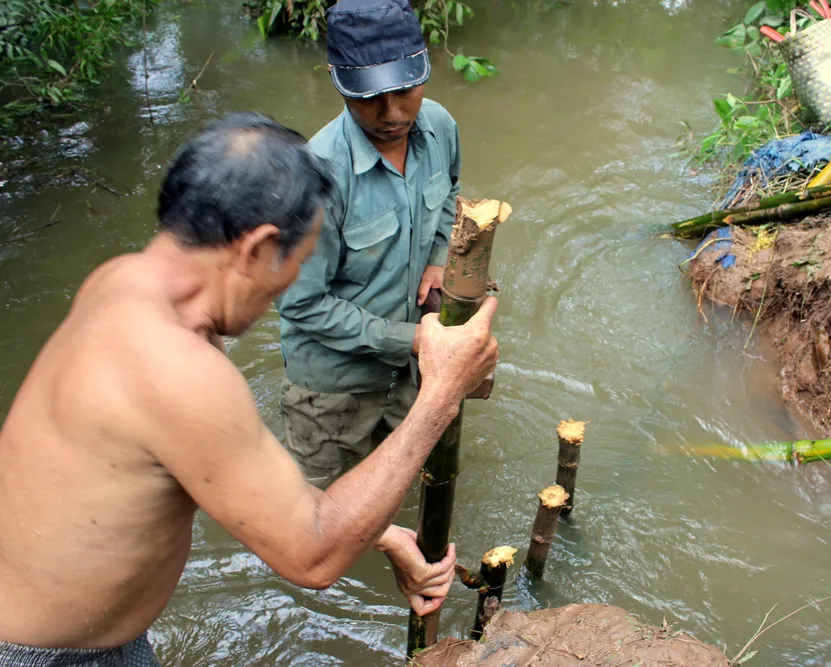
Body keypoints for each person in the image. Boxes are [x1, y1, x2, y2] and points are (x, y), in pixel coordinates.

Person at [0, 113, 498, 666]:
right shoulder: (176, 370)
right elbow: (312, 560)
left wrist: (380, 534)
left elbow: (229, 475)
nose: (292, 283)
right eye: (301, 260)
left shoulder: (124, 283)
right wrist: (442, 391)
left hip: (82, 631)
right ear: (258, 248)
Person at [276, 0, 463, 485]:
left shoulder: (440, 126)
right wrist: (412, 339)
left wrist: (438, 258)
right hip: (334, 390)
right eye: (369, 98)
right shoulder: (314, 178)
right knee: (316, 517)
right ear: (339, 81)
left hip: (410, 371)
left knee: (399, 483)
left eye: (406, 90)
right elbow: (302, 304)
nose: (392, 113)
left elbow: (452, 191)